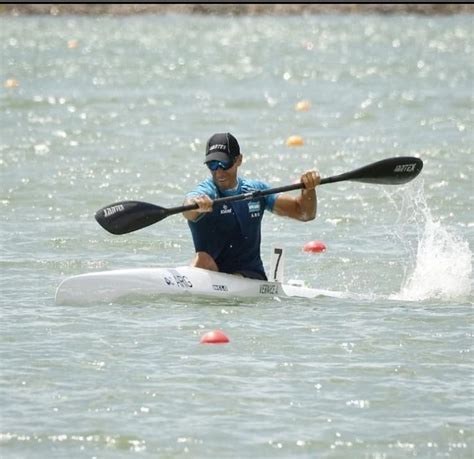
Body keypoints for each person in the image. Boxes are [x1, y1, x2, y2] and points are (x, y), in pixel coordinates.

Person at [183, 132, 320, 280]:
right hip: (211, 273)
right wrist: (195, 206)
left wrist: (308, 190)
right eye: (212, 164)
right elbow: (188, 208)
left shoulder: (256, 191)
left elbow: (304, 213)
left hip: (251, 277)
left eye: (224, 163)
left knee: (204, 260)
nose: (219, 171)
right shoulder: (206, 192)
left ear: (238, 160)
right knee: (202, 259)